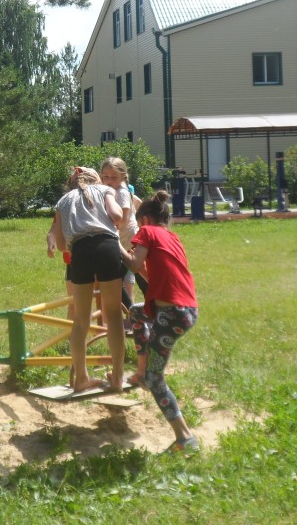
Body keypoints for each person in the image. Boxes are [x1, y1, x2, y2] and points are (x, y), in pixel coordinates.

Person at [120, 190, 200, 453]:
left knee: (156, 379)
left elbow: (134, 264)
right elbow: (148, 273)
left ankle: (185, 438)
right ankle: (141, 371)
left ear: (144, 220)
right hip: (186, 310)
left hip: (170, 314)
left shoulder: (147, 231)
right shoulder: (172, 237)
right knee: (136, 313)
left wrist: (113, 241)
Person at [50, 166, 125, 393]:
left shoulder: (63, 201)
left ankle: (81, 378)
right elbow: (117, 216)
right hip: (107, 246)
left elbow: (61, 245)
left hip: (80, 251)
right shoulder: (104, 190)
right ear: (96, 180)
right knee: (113, 314)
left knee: (81, 319)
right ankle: (117, 377)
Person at [100, 156, 141, 311]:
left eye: (114, 177)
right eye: (106, 177)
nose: (109, 181)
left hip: (127, 240)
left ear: (123, 176)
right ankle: (132, 312)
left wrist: (107, 229)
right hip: (122, 239)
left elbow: (123, 220)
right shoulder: (110, 190)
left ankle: (132, 312)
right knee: (118, 278)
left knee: (116, 278)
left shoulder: (121, 192)